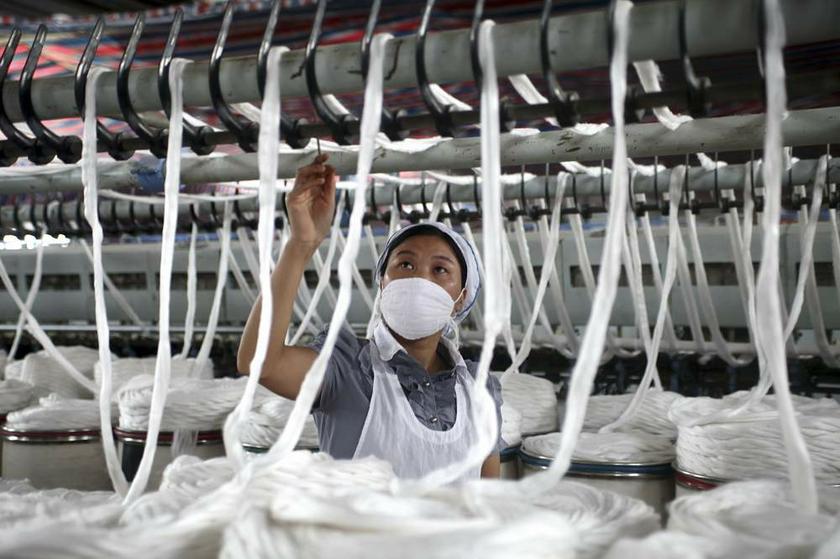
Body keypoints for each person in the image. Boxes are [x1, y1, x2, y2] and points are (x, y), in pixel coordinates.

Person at [237, 154, 503, 480]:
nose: (420, 279)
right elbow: (259, 363)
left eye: (440, 270)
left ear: (460, 299)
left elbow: (489, 496)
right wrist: (300, 245)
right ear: (382, 282)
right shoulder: (348, 370)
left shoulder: (480, 388)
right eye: (405, 264)